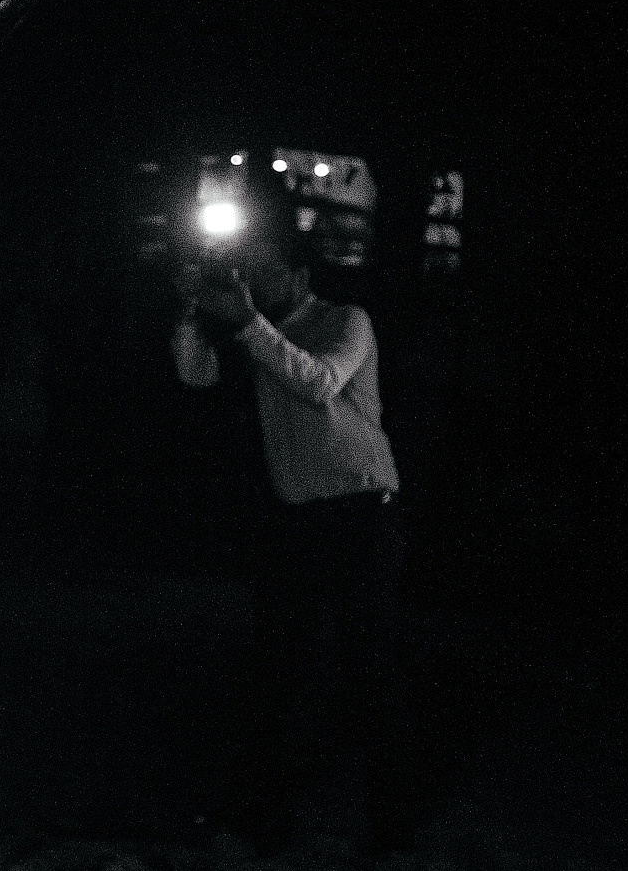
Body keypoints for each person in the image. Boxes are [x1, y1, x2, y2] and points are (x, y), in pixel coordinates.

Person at [172, 181, 410, 851]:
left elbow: (318, 381)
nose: (254, 280)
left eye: (268, 269)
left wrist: (248, 323)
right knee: (279, 668)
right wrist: (193, 310)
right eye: (249, 270)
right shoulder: (257, 335)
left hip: (363, 512)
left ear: (301, 275)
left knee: (369, 667)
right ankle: (268, 814)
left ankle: (389, 818)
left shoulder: (346, 319)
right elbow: (194, 375)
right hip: (298, 518)